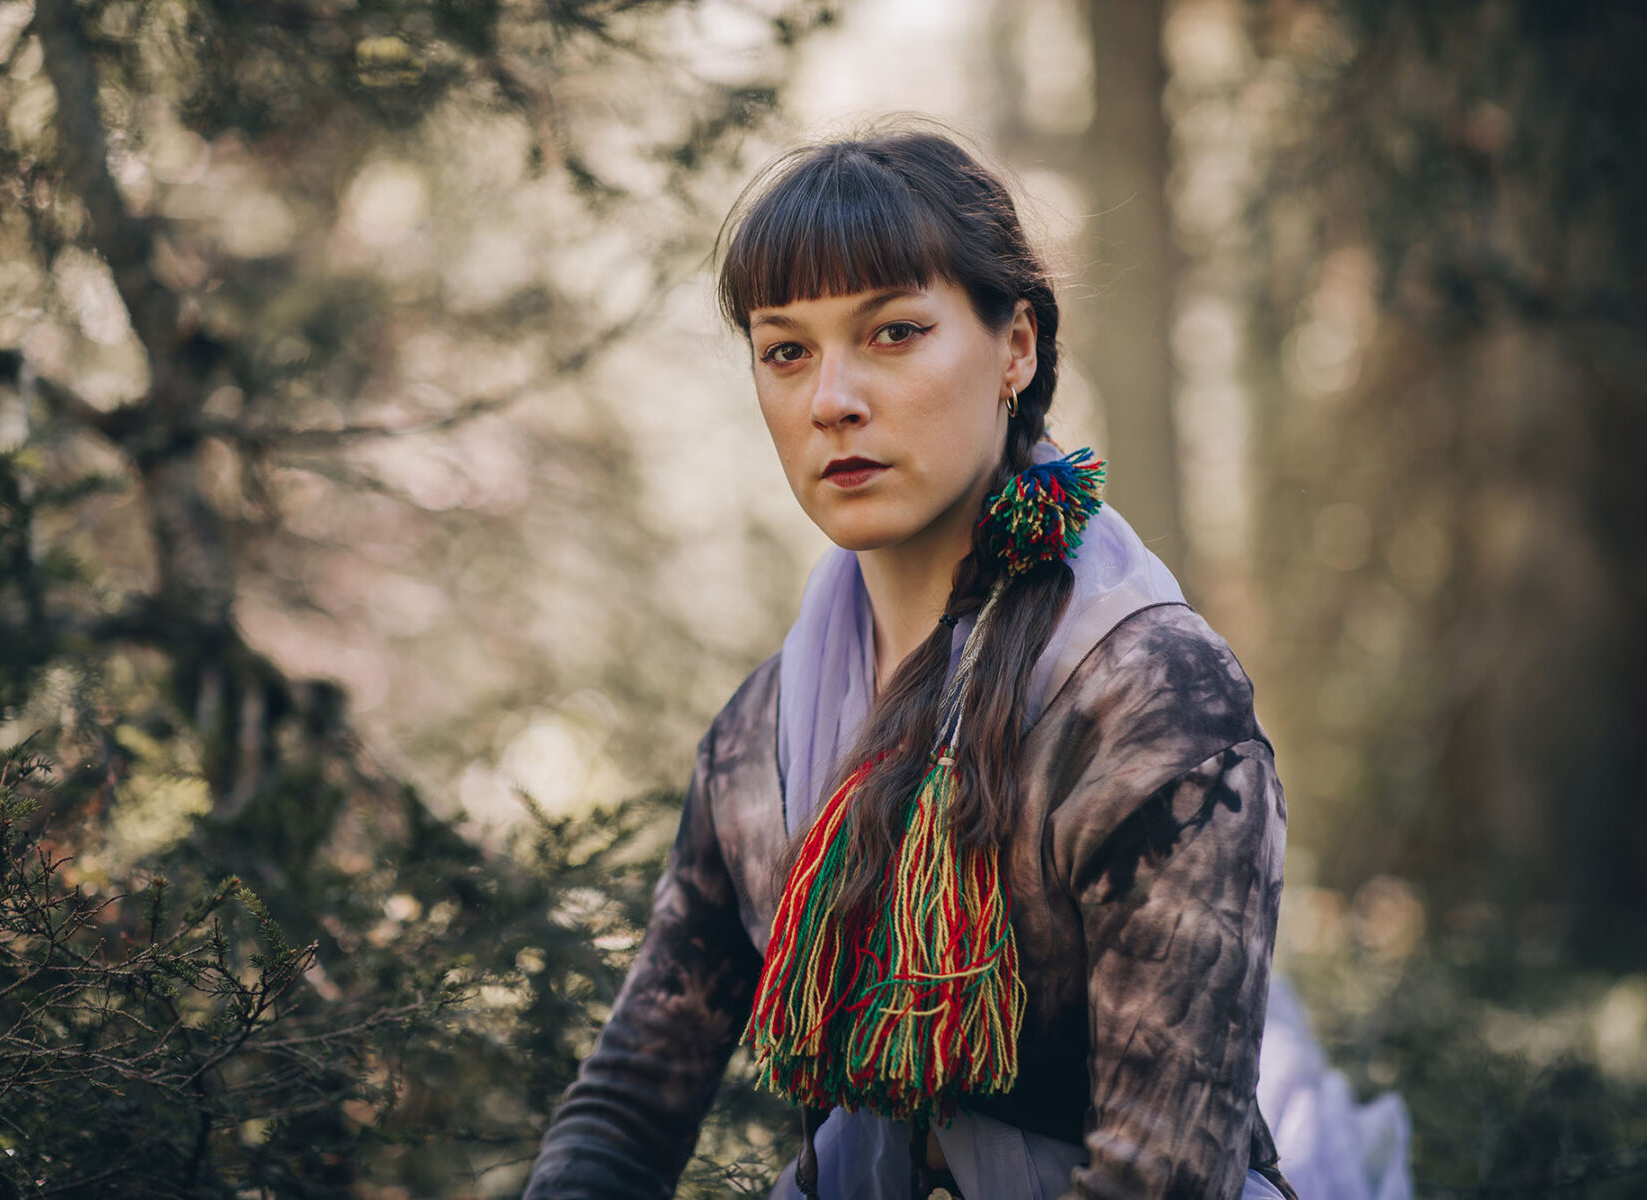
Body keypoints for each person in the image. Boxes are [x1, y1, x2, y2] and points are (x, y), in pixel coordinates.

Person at [521, 127, 1403, 1200]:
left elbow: (1161, 1177)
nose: (830, 399)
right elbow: (627, 1107)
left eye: (893, 332)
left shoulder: (1148, 699)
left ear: (1017, 348)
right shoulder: (762, 736)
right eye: (786, 349)